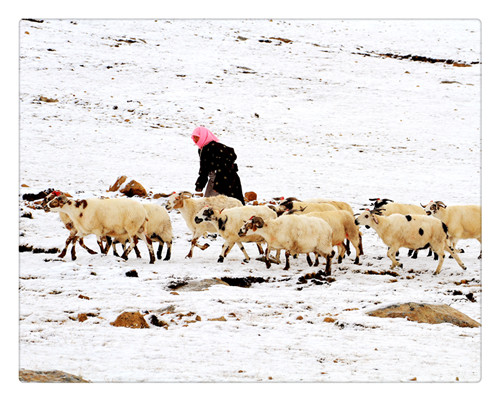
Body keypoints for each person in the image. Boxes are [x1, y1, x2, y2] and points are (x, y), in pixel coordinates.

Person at [191, 126, 245, 204]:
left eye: (197, 137)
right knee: (209, 203)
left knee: (224, 205)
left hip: (226, 178)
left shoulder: (215, 147)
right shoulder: (202, 149)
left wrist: (218, 185)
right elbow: (204, 169)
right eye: (194, 137)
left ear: (203, 136)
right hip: (214, 179)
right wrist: (200, 184)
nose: (195, 140)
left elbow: (224, 166)